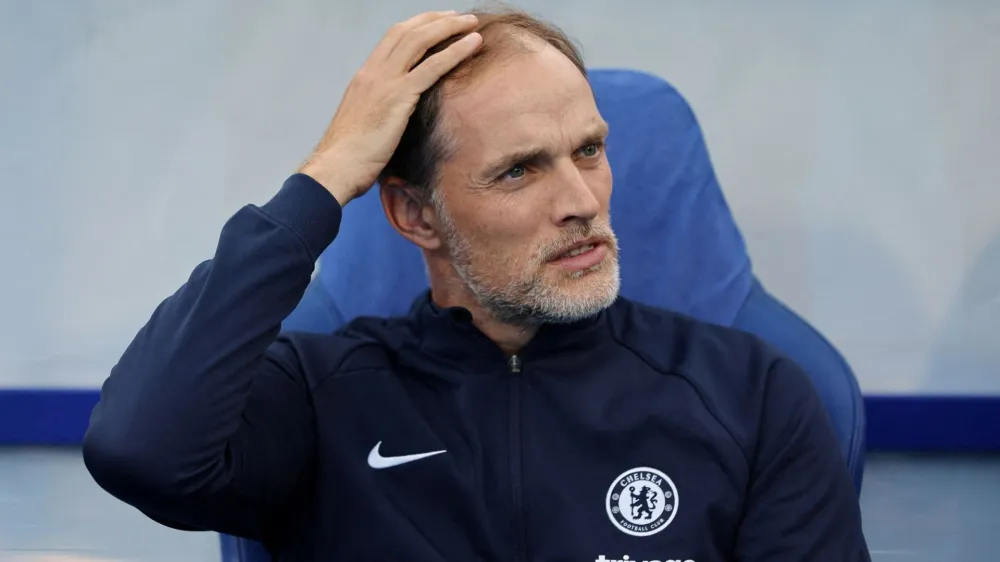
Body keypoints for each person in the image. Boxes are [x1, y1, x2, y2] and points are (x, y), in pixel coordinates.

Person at [83, 7, 871, 562]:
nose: (580, 202)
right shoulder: (321, 396)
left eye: (589, 150)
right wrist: (322, 180)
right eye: (520, 169)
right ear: (416, 215)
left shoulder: (751, 392)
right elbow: (138, 449)